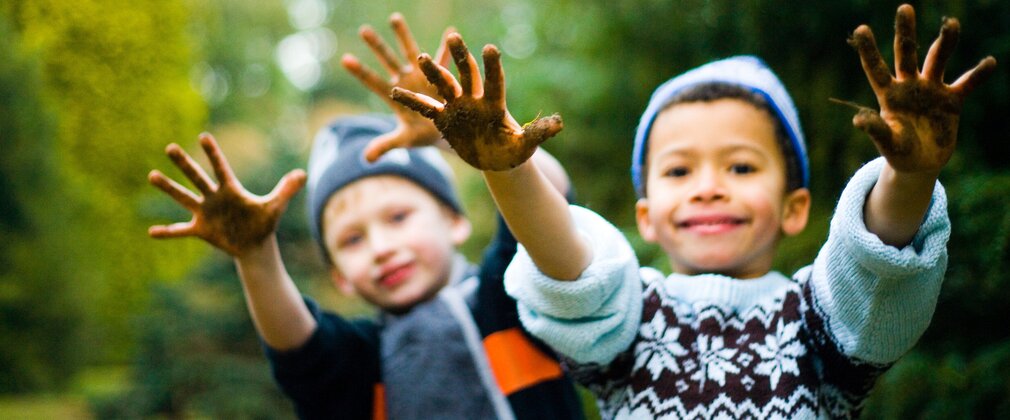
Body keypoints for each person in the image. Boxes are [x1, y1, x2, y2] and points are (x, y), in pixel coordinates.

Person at [388, 4, 996, 418]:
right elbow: (571, 269)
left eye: (740, 167)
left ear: (795, 209)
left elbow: (879, 272)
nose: (708, 188)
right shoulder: (632, 321)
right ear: (646, 217)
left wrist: (910, 176)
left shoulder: (820, 323)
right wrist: (508, 168)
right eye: (680, 171)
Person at [148, 13, 585, 420]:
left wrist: (463, 145)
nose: (381, 248)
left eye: (398, 217)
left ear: (455, 221)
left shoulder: (508, 295)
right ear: (338, 276)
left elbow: (554, 207)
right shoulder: (361, 362)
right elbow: (298, 348)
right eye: (352, 241)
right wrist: (255, 257)